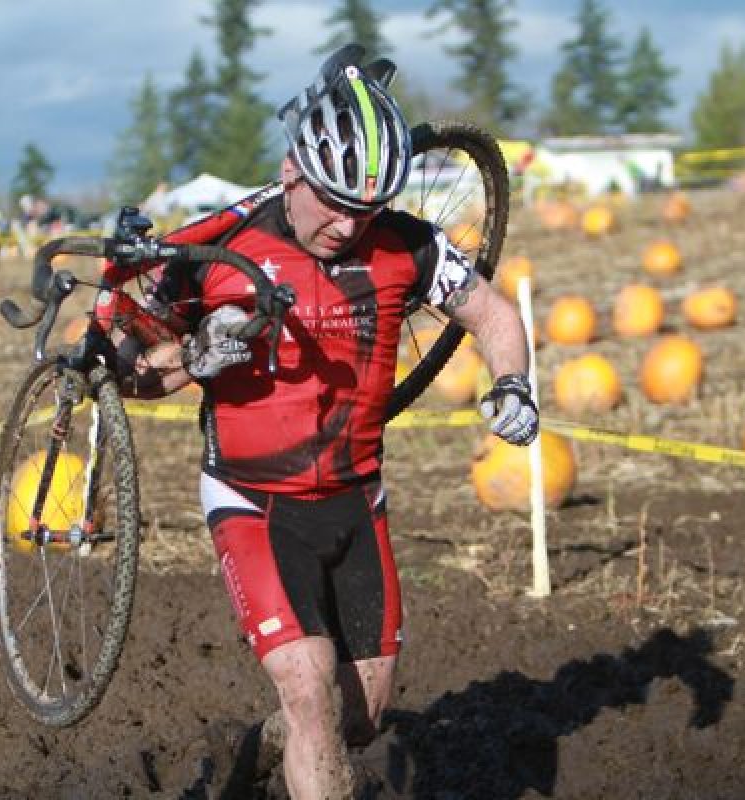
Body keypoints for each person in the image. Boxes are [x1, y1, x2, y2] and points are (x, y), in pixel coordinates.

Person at [118, 44, 538, 798]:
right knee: (308, 683)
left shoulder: (407, 246)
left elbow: (493, 314)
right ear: (291, 172)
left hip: (356, 499)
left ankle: (261, 751)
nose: (347, 225)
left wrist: (513, 385)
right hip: (254, 502)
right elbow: (131, 375)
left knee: (359, 717)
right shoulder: (220, 251)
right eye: (333, 203)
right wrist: (193, 354)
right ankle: (295, 727)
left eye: (365, 208)